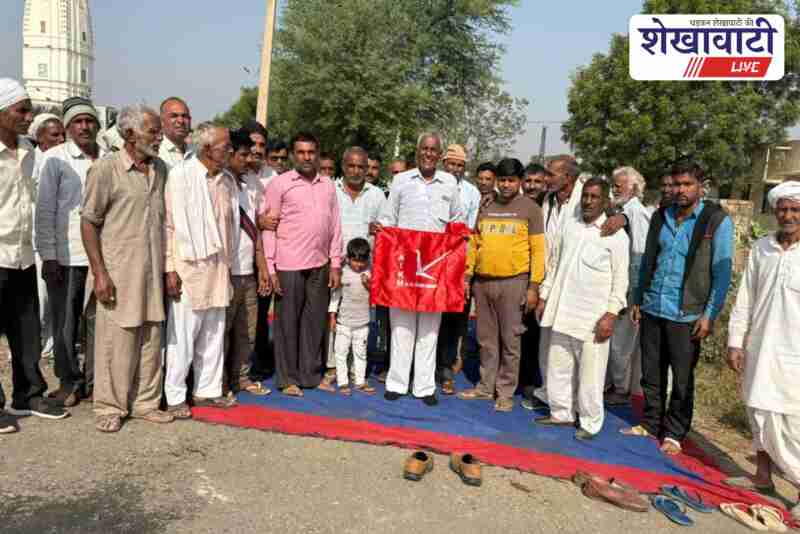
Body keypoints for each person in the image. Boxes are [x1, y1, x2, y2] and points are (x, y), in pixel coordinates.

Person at [624, 160, 734, 455]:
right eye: (676, 184)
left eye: (687, 184)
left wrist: (709, 315)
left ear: (701, 187)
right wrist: (638, 298)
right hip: (653, 306)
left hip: (687, 313)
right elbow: (648, 260)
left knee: (682, 377)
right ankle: (650, 423)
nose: (681, 190)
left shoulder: (715, 221)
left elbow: (722, 273)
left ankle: (674, 432)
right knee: (651, 372)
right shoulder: (661, 216)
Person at [80, 104, 173, 432]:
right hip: (118, 273)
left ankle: (146, 403)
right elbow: (89, 222)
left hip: (151, 272)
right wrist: (100, 273)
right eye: (153, 131)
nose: (159, 138)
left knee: (151, 338)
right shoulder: (105, 169)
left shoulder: (160, 169)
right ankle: (109, 406)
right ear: (130, 134)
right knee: (117, 341)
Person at [727, 181, 800, 521]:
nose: (788, 216)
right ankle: (762, 476)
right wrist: (735, 341)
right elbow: (745, 298)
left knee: (791, 424)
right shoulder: (762, 247)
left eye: (795, 209)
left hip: (794, 353)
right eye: (782, 210)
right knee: (758, 411)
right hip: (760, 346)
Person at [535, 178, 629, 440]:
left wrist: (610, 315)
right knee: (558, 366)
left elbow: (621, 281)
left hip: (592, 318)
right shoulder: (571, 226)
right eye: (585, 196)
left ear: (605, 201)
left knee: (591, 375)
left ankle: (590, 422)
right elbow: (555, 264)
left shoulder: (616, 236)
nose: (588, 201)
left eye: (594, 197)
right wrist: (544, 296)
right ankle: (561, 413)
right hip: (562, 310)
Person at [0, 79, 68, 432]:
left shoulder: (28, 150)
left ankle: (29, 394)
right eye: (21, 110)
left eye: (30, 110)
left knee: (27, 331)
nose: (29, 117)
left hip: (23, 255)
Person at [379, 132, 461, 406]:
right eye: (424, 148)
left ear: (440, 155)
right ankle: (396, 383)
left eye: (433, 149)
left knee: (429, 330)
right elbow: (388, 219)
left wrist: (458, 245)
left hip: (435, 268)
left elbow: (456, 221)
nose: (428, 153)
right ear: (417, 152)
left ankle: (424, 387)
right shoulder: (401, 181)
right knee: (401, 327)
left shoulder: (449, 183)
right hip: (404, 265)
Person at [459, 158, 545, 412]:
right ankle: (485, 388)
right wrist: (468, 276)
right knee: (486, 339)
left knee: (511, 340)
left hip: (514, 282)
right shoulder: (486, 205)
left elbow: (538, 250)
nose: (506, 185)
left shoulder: (530, 209)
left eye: (511, 180)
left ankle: (505, 392)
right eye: (502, 180)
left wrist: (533, 287)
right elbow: (474, 243)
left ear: (519, 182)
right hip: (483, 282)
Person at [36, 96, 106, 406]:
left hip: (105, 256)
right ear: (67, 127)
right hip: (67, 255)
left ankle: (95, 381)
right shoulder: (55, 159)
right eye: (78, 121)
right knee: (66, 324)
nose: (84, 126)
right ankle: (69, 381)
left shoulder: (109, 157)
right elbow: (45, 211)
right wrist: (48, 256)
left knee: (99, 323)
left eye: (89, 120)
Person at [260, 132, 342, 397]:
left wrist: (335, 263)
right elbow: (269, 228)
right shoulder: (280, 184)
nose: (307, 157)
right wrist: (270, 267)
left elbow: (335, 225)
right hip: (288, 265)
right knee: (287, 324)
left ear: (317, 154)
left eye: (311, 152)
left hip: (320, 263)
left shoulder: (328, 185)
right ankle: (288, 379)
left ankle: (310, 375)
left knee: (315, 322)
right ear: (294, 155)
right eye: (301, 152)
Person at [164, 123, 238, 418]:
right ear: (207, 149)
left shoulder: (227, 180)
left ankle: (207, 390)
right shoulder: (180, 175)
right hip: (189, 266)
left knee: (213, 333)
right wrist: (170, 268)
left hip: (219, 267)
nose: (230, 150)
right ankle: (175, 396)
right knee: (182, 335)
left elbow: (230, 227)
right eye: (225, 146)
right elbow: (169, 225)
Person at [319, 146, 386, 389]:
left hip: (364, 268)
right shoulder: (330, 190)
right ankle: (332, 367)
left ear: (367, 168)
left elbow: (386, 230)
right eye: (351, 166)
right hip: (335, 265)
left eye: (361, 166)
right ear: (343, 166)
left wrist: (379, 228)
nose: (356, 171)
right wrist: (332, 262)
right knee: (335, 315)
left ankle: (355, 369)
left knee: (359, 320)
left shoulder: (377, 195)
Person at [222, 130, 271, 397]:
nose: (250, 157)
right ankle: (219, 383)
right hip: (226, 271)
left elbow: (256, 230)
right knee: (223, 332)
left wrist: (262, 266)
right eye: (244, 153)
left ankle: (241, 378)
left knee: (247, 331)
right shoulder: (220, 182)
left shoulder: (252, 184)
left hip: (248, 270)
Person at [605, 166, 652, 406]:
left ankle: (621, 390)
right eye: (613, 185)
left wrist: (633, 296)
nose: (614, 190)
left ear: (633, 189)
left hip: (629, 291)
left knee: (620, 345)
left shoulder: (637, 214)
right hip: (615, 288)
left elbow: (639, 257)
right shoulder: (619, 211)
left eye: (619, 186)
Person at [436, 144, 480, 393]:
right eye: (451, 163)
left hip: (457, 261)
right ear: (444, 163)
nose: (454, 168)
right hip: (430, 260)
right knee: (427, 314)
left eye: (459, 165)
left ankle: (445, 369)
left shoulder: (472, 193)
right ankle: (421, 369)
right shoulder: (431, 185)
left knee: (452, 317)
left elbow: (471, 231)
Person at [240, 120, 275, 383]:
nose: (258, 149)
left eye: (262, 144)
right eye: (253, 144)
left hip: (264, 255)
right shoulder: (235, 173)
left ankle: (258, 362)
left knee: (261, 313)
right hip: (238, 256)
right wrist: (257, 221)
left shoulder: (273, 178)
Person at [29, 113, 64, 363]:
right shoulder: (30, 161)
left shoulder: (63, 160)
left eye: (62, 134)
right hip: (34, 241)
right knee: (39, 299)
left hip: (59, 239)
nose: (60, 139)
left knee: (54, 299)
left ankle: (49, 345)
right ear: (40, 138)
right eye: (54, 135)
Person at [328, 238, 376, 396]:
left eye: (362, 261)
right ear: (348, 258)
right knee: (341, 353)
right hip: (343, 323)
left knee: (360, 353)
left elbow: (377, 294)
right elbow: (335, 296)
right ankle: (342, 382)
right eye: (355, 261)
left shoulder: (370, 272)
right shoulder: (342, 273)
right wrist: (332, 317)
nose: (359, 265)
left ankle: (360, 381)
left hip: (362, 323)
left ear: (367, 259)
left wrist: (368, 284)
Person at [158, 97, 192, 170]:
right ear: (161, 121)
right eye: (174, 116)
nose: (181, 121)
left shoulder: (197, 152)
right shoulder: (157, 153)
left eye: (185, 116)